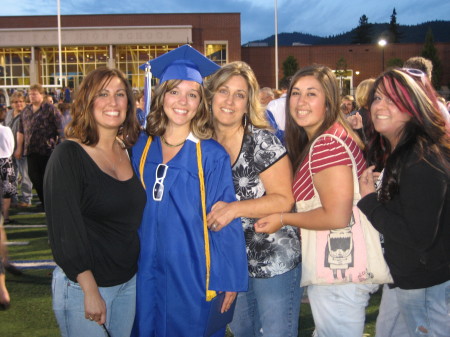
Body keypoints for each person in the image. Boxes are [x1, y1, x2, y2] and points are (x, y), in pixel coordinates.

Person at [131, 45, 248, 337]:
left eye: (192, 94)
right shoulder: (142, 148)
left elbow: (225, 219)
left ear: (200, 103)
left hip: (194, 269)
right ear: (161, 97)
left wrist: (229, 277)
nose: (182, 101)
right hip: (145, 268)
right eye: (174, 92)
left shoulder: (211, 155)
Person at [255, 65, 379, 337]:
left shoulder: (327, 144)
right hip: (341, 269)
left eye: (312, 94)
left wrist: (282, 219)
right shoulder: (329, 138)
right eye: (296, 93)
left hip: (339, 268)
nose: (300, 102)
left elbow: (336, 216)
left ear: (329, 101)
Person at [44, 67, 146, 337]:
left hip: (128, 282)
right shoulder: (68, 156)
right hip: (84, 286)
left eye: (120, 94)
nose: (113, 102)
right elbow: (63, 231)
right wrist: (89, 289)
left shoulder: (129, 151)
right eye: (103, 94)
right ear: (87, 102)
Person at [205, 61, 301, 337]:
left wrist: (235, 209)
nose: (230, 101)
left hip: (272, 260)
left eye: (240, 95)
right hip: (231, 263)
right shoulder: (203, 144)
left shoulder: (262, 142)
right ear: (210, 97)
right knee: (242, 331)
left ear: (248, 104)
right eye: (224, 91)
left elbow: (285, 199)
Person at [358, 68, 450, 337]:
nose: (380, 106)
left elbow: (418, 235)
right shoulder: (404, 152)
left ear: (412, 107)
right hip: (407, 279)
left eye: (392, 99)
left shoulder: (420, 157)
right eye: (377, 98)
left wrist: (369, 201)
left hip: (424, 284)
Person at [17, 83, 64, 208]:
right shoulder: (26, 110)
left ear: (41, 95)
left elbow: (61, 128)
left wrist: (61, 145)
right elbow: (21, 130)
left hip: (47, 149)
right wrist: (19, 147)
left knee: (47, 178)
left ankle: (50, 202)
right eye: (30, 94)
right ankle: (45, 201)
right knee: (34, 176)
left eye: (34, 94)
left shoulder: (50, 109)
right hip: (31, 150)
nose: (31, 96)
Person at [5, 91, 33, 208]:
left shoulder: (28, 114)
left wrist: (20, 148)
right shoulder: (9, 113)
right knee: (11, 176)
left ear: (25, 102)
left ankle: (26, 199)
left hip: (23, 150)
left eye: (21, 101)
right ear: (11, 104)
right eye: (16, 102)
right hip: (8, 150)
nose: (18, 104)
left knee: (25, 175)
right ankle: (14, 199)